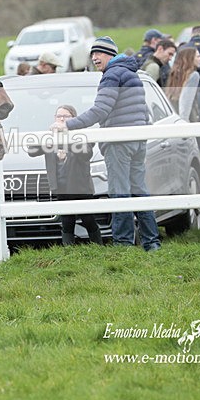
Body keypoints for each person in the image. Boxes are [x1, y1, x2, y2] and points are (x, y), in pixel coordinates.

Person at [52, 36, 161, 251]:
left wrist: (68, 125)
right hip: (138, 140)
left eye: (99, 53)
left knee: (119, 193)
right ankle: (152, 243)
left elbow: (100, 110)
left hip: (119, 142)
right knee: (140, 191)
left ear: (110, 54)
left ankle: (123, 245)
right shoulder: (132, 73)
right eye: (92, 54)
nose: (94, 57)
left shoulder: (112, 75)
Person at [29, 105, 102, 245]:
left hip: (80, 186)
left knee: (88, 219)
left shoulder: (80, 135)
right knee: (67, 222)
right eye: (59, 116)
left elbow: (86, 153)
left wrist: (65, 140)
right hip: (61, 187)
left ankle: (98, 247)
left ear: (73, 119)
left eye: (66, 116)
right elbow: (32, 151)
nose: (61, 119)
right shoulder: (51, 137)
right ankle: (68, 252)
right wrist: (51, 137)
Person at [165, 47, 200, 122]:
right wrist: (184, 122)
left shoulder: (175, 74)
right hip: (187, 119)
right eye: (198, 56)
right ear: (190, 59)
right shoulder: (194, 75)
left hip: (174, 119)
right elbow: (186, 100)